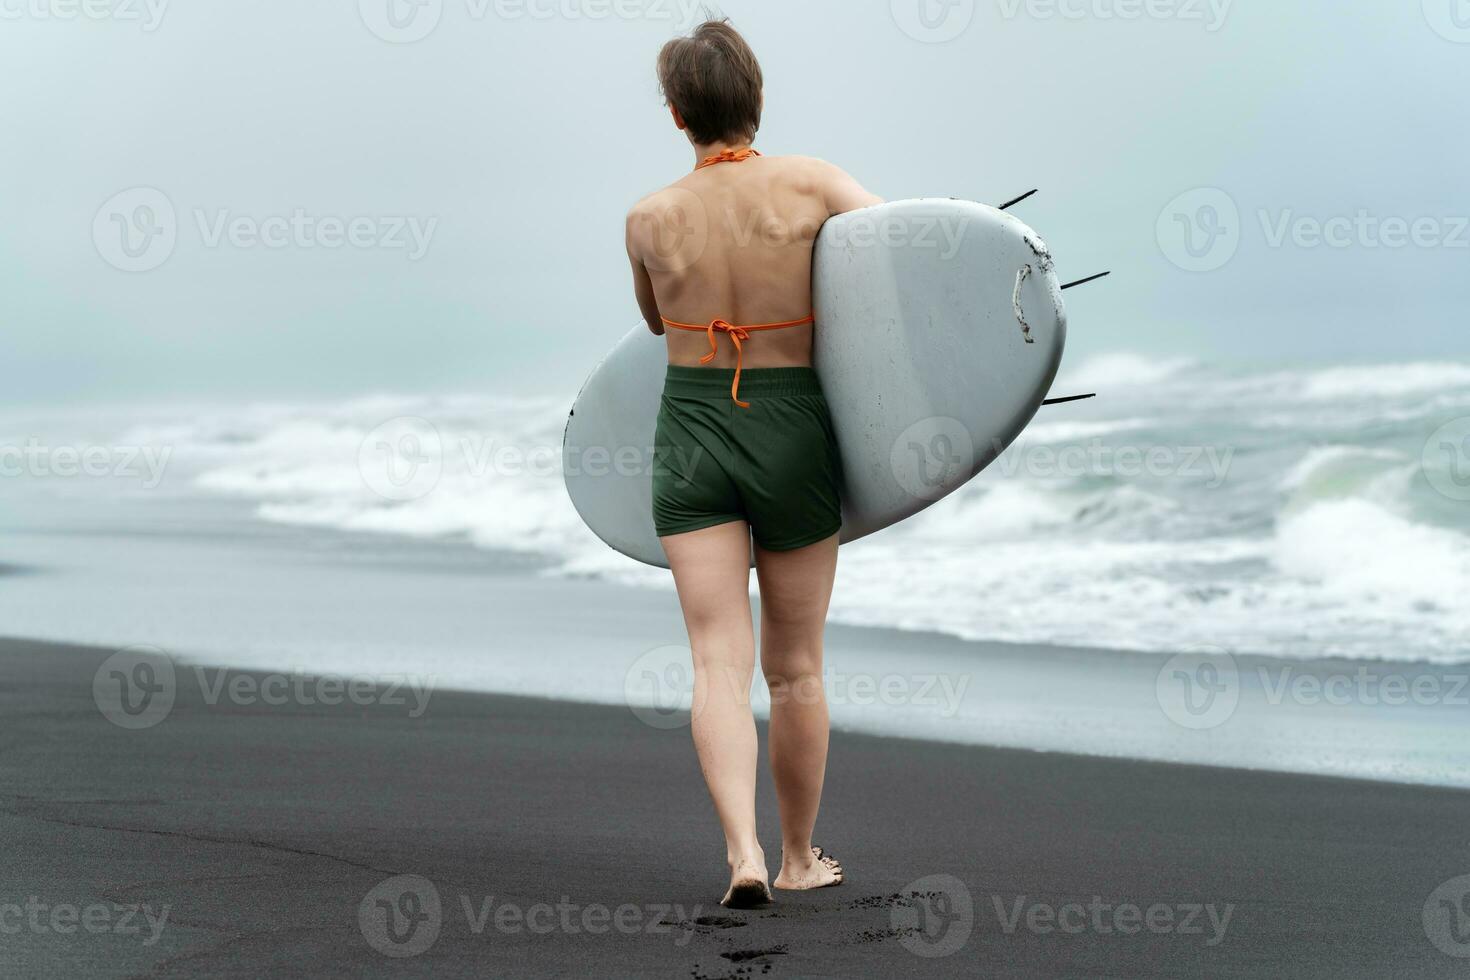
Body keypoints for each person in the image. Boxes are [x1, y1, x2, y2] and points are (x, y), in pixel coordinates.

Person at [624, 19, 882, 909]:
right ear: (758, 97)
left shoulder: (649, 217)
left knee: (714, 663)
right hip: (790, 424)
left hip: (691, 428)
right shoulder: (813, 183)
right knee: (796, 664)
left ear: (676, 115)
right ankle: (798, 855)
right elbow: (896, 264)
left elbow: (657, 324)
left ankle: (740, 850)